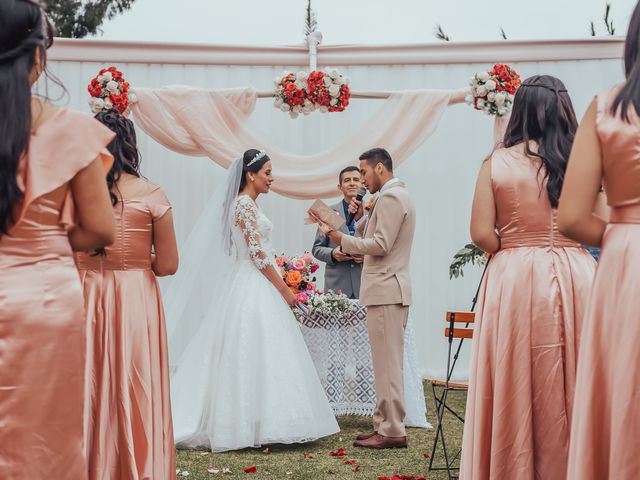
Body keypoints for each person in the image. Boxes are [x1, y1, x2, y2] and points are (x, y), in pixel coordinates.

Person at [459, 75, 596, 480]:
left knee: (515, 373)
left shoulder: (495, 162)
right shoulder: (584, 160)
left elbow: (481, 233)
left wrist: (517, 242)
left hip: (515, 276)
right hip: (577, 272)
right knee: (576, 373)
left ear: (519, 110)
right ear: (565, 110)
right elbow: (601, 220)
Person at [0, 2, 116, 478]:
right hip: (47, 298)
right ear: (39, 57)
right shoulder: (70, 131)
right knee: (45, 435)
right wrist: (44, 239)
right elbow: (101, 229)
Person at [166, 149, 339, 451]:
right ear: (251, 174)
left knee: (261, 348)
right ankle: (245, 422)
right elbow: (258, 254)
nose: (272, 179)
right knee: (250, 345)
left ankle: (261, 419)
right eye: (267, 172)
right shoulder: (244, 205)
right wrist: (285, 289)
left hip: (253, 280)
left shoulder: (248, 205)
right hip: (251, 280)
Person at [559, 2, 640, 477]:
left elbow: (571, 216)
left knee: (626, 384)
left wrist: (623, 236)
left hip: (628, 259)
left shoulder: (608, 107)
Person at [75, 109, 178, 479]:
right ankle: (136, 465)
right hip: (135, 296)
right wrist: (134, 256)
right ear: (130, 145)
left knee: (87, 380)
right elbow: (167, 265)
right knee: (134, 382)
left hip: (85, 293)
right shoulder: (152, 194)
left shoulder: (74, 193)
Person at [326, 147, 415, 449]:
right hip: (387, 289)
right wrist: (361, 216)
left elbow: (381, 244)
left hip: (387, 289)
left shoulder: (391, 197)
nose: (361, 180)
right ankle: (382, 423)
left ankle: (391, 430)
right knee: (383, 363)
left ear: (379, 169)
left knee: (388, 365)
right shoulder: (390, 197)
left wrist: (341, 239)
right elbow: (376, 232)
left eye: (363, 172)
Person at [312, 166, 363, 297]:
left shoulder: (373, 210)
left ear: (362, 184)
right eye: (347, 180)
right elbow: (317, 249)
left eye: (356, 179)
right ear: (340, 187)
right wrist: (333, 254)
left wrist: (367, 256)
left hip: (365, 286)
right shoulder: (327, 212)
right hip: (337, 288)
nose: (352, 183)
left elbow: (381, 246)